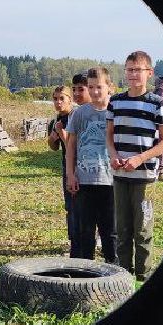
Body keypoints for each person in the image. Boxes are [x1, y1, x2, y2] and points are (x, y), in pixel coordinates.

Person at [106, 50, 163, 280]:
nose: (133, 74)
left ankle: (143, 277)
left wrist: (139, 159)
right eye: (129, 69)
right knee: (122, 229)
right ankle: (123, 277)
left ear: (149, 73)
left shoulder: (158, 104)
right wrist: (113, 154)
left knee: (142, 229)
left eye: (138, 70)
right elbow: (109, 135)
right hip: (119, 174)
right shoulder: (115, 102)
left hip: (144, 176)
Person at [64, 67, 117, 263]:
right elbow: (71, 145)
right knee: (85, 232)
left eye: (99, 87)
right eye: (91, 87)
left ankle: (114, 275)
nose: (95, 92)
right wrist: (70, 174)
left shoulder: (116, 112)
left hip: (110, 182)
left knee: (110, 233)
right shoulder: (79, 114)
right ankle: (84, 275)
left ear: (109, 87)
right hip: (84, 182)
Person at [47, 85, 79, 255]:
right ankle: (73, 241)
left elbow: (73, 148)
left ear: (70, 100)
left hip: (80, 168)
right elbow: (53, 147)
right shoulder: (57, 120)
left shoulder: (76, 117)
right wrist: (53, 139)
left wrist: (62, 133)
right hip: (66, 168)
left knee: (80, 207)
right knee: (70, 207)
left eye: (61, 99)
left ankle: (84, 242)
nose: (58, 103)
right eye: (55, 99)